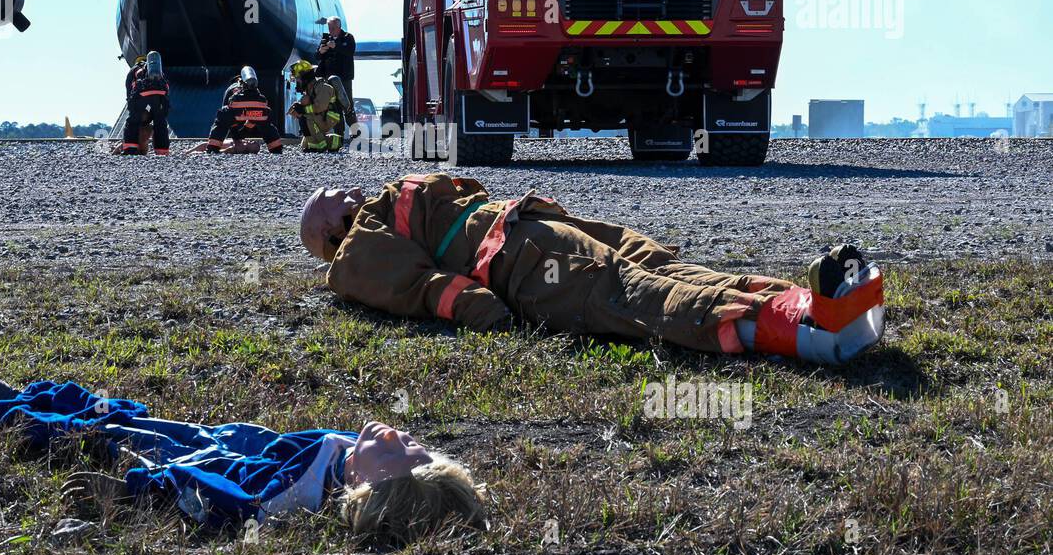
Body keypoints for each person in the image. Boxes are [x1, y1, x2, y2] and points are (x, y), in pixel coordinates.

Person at [299, 174, 886, 366]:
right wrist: (479, 307)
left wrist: (489, 311)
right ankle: (814, 310)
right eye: (332, 197)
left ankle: (814, 325)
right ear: (329, 233)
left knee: (651, 292)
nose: (343, 192)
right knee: (659, 283)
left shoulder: (370, 227)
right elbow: (424, 289)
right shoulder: (359, 244)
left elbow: (425, 288)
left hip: (529, 253)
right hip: (531, 239)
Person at [0, 364, 486, 545]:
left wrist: (137, 492)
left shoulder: (293, 497)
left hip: (199, 459)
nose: (396, 437)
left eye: (396, 455)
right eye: (416, 445)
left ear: (364, 494)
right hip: (223, 434)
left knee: (110, 433)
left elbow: (226, 505)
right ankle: (30, 398)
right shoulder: (352, 455)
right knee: (122, 412)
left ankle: (4, 416)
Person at [205, 66, 283, 154]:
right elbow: (254, 114)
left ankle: (213, 148)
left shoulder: (231, 90)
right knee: (266, 125)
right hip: (259, 113)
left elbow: (228, 116)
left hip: (237, 113)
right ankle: (276, 148)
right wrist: (244, 131)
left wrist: (237, 137)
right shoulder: (256, 91)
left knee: (222, 120)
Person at [286, 60, 344, 152]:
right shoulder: (310, 89)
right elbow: (306, 104)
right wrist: (296, 108)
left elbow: (320, 107)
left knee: (305, 118)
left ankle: (319, 146)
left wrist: (303, 110)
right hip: (322, 115)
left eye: (298, 79)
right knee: (305, 145)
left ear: (305, 77)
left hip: (330, 117)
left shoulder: (323, 87)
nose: (297, 82)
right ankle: (333, 141)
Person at [121, 51, 171, 156]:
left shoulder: (134, 71)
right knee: (160, 123)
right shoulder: (159, 72)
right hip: (160, 96)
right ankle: (162, 151)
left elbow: (129, 91)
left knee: (133, 122)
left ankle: (130, 150)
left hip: (142, 95)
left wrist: (133, 107)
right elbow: (167, 87)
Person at [316, 16, 356, 107]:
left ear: (339, 27)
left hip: (343, 77)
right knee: (329, 103)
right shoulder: (325, 39)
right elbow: (317, 56)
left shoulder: (348, 37)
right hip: (327, 76)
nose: (330, 30)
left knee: (347, 104)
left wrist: (336, 46)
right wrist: (320, 52)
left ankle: (351, 119)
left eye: (333, 28)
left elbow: (350, 51)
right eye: (329, 28)